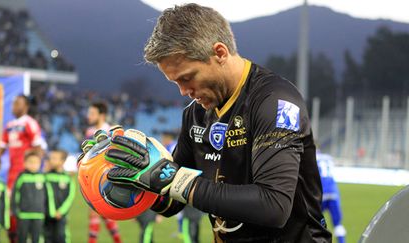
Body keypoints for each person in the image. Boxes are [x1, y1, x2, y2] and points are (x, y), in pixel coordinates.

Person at [83, 3, 331, 242]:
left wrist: (172, 179)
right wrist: (135, 181)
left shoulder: (275, 102)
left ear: (220, 53)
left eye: (187, 78)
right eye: (175, 83)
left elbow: (273, 205)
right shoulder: (196, 115)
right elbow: (172, 201)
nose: (183, 92)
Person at [0, 95, 43, 243]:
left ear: (26, 106)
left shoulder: (30, 123)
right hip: (11, 176)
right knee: (10, 212)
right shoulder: (9, 126)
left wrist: (35, 171)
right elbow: (0, 151)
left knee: (27, 212)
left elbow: (39, 149)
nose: (14, 106)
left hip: (26, 177)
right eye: (13, 103)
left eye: (17, 103)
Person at [86, 102, 122, 243]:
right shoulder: (89, 132)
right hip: (92, 176)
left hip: (106, 177)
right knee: (104, 214)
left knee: (96, 211)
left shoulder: (111, 131)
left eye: (92, 113)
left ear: (102, 115)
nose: (89, 116)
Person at [11, 151, 45, 243]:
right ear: (25, 163)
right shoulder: (21, 177)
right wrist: (15, 210)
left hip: (38, 214)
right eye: (30, 162)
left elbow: (47, 196)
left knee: (36, 238)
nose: (33, 165)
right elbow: (14, 194)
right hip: (23, 215)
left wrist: (46, 210)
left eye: (36, 162)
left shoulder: (42, 177)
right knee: (22, 238)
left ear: (40, 163)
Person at [44, 149, 75, 243]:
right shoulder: (46, 176)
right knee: (47, 237)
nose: (51, 160)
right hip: (47, 214)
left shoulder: (68, 178)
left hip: (61, 216)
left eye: (54, 158)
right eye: (51, 158)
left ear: (62, 161)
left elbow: (70, 197)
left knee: (61, 236)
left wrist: (61, 211)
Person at [316, 151, 346, 243]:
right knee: (338, 224)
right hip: (333, 192)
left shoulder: (312, 157)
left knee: (315, 221)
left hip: (321, 192)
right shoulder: (328, 157)